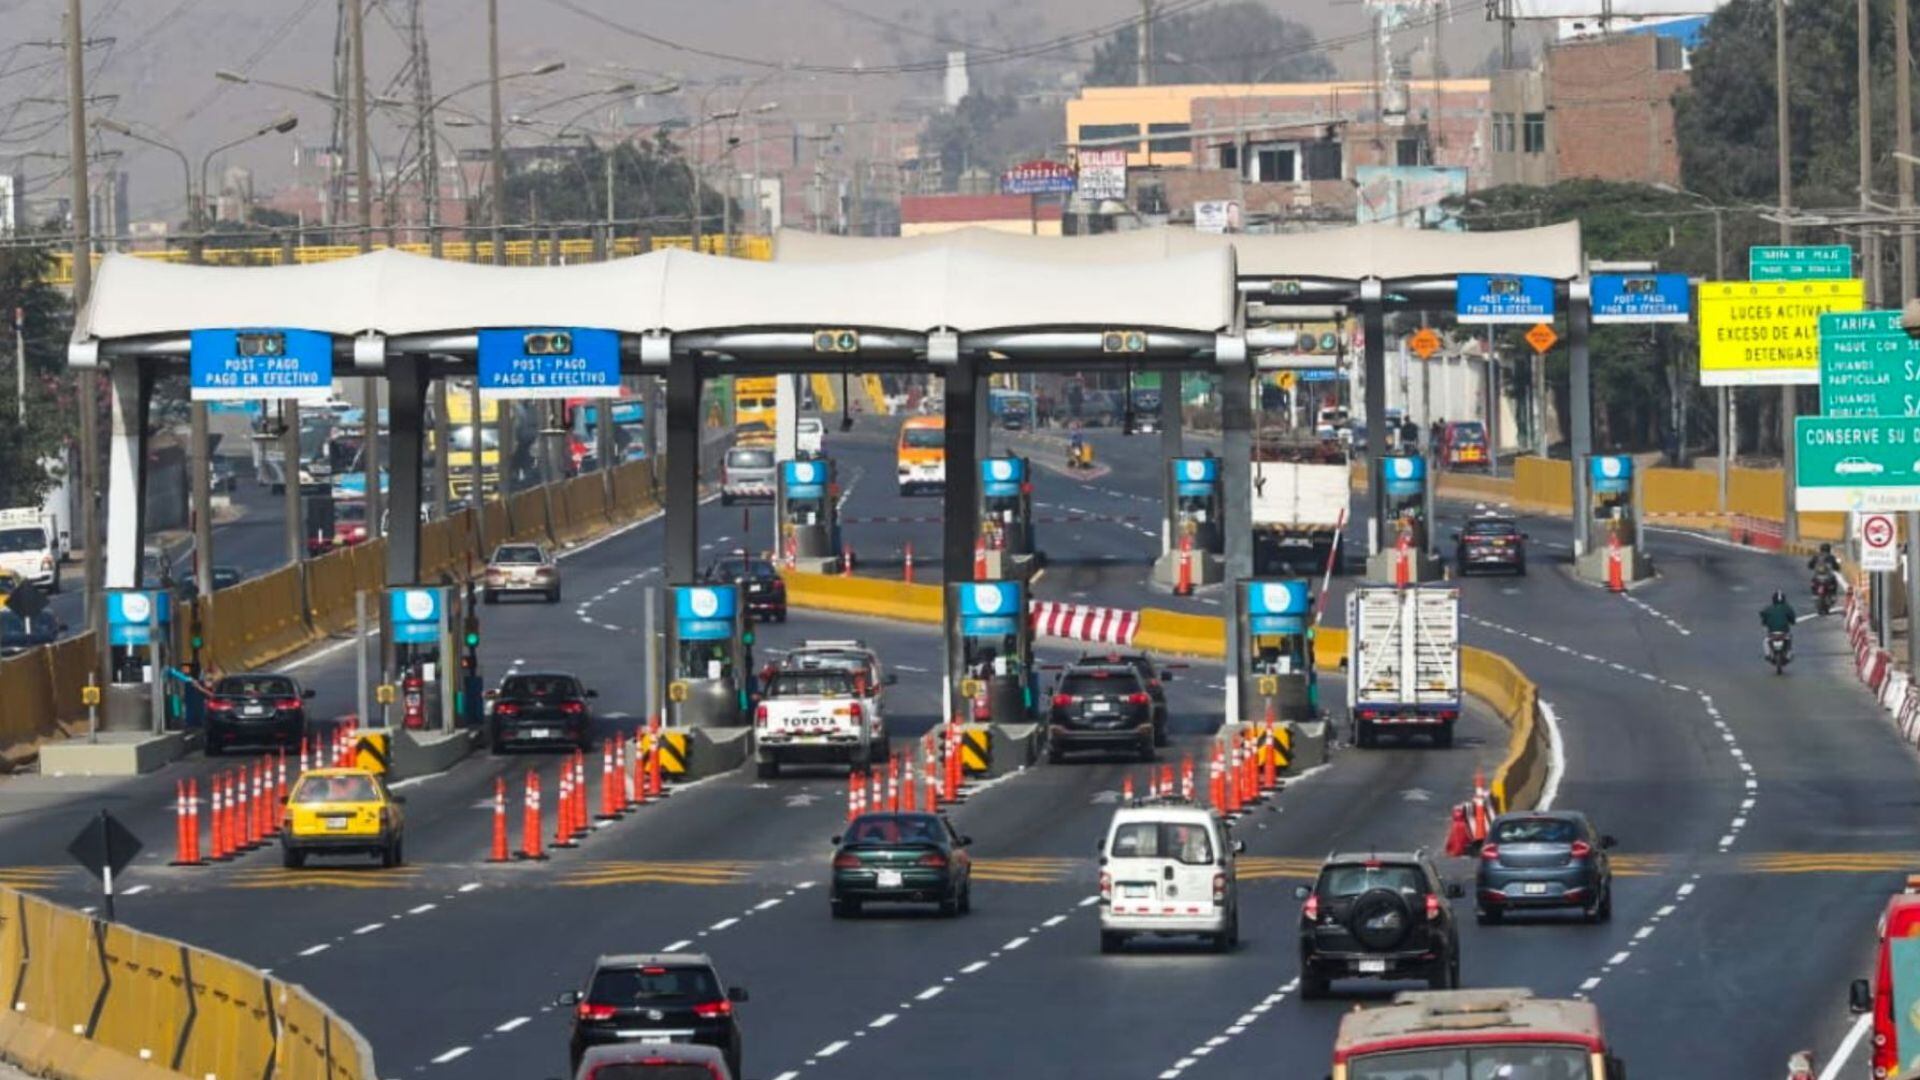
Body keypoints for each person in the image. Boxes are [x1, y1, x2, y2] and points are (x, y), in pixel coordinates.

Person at [1760, 589, 1798, 658]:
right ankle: (1788, 654)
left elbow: (1763, 617)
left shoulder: (1768, 608)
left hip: (1772, 633)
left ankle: (1768, 654)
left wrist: (1765, 623)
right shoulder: (1787, 608)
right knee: (1789, 639)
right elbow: (1792, 619)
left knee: (1765, 641)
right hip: (1784, 632)